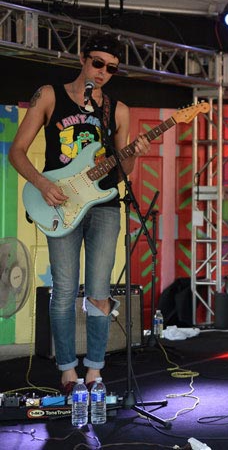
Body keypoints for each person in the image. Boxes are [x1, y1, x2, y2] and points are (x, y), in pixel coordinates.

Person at [10, 33, 151, 394]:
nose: (103, 73)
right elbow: (18, 152)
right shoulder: (50, 95)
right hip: (57, 201)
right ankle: (67, 370)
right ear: (82, 58)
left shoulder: (117, 110)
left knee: (100, 291)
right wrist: (42, 185)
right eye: (98, 63)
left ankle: (95, 370)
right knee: (65, 290)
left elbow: (121, 171)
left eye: (112, 68)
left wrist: (134, 153)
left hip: (103, 207)